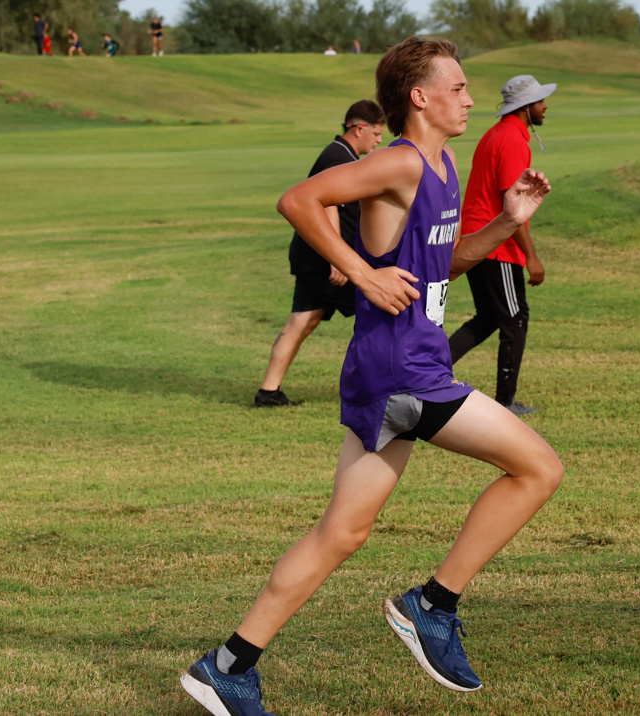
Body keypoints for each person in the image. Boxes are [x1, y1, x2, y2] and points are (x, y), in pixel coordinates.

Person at [179, 36, 562, 716]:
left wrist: (507, 221)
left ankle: (226, 667)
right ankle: (431, 605)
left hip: (396, 369)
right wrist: (359, 273)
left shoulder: (440, 167)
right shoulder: (400, 162)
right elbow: (298, 200)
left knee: (342, 534)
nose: (471, 99)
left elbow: (440, 266)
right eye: (458, 88)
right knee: (537, 469)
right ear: (420, 97)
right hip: (402, 371)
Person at [254, 100, 386, 408]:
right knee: (378, 313)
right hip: (327, 263)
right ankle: (374, 389)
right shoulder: (339, 158)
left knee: (302, 321)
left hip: (312, 259)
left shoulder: (339, 153)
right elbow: (327, 204)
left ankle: (268, 392)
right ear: (359, 128)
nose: (379, 141)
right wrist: (337, 258)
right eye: (377, 134)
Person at [446, 74, 556, 417]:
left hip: (482, 238)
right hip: (495, 243)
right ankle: (506, 402)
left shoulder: (499, 134)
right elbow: (512, 206)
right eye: (540, 101)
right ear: (525, 108)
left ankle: (426, 370)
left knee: (490, 318)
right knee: (514, 319)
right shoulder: (510, 139)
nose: (545, 106)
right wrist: (531, 256)